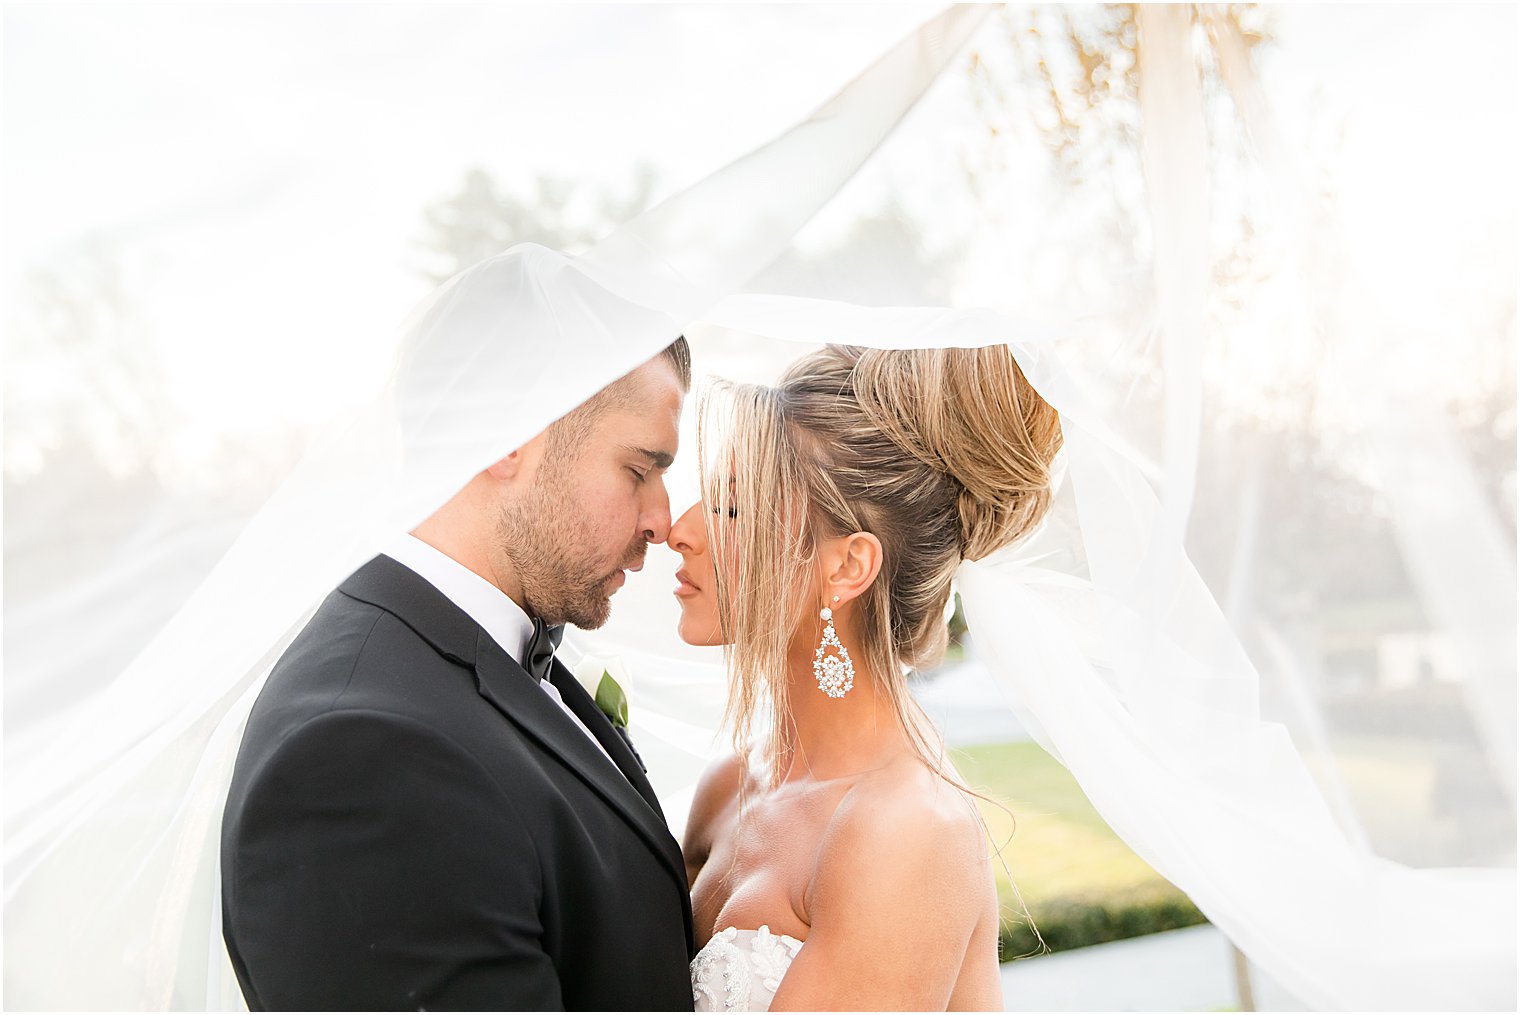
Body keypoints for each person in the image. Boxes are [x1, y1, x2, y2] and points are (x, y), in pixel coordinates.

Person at [219, 341, 698, 1011]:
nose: (662, 520)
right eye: (639, 469)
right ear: (508, 439)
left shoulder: (486, 653)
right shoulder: (360, 757)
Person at [674, 344, 1063, 1011]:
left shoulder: (907, 828)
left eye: (733, 511)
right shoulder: (728, 788)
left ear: (848, 565)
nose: (681, 530)